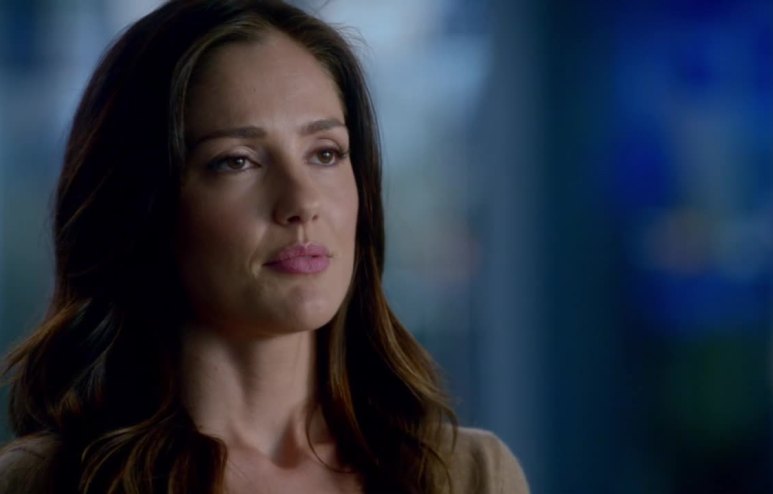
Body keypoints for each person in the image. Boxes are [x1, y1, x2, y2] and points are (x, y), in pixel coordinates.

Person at [0, 1, 530, 493]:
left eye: (325, 153)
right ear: (143, 204)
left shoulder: (469, 475)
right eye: (237, 161)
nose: (302, 202)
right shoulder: (41, 481)